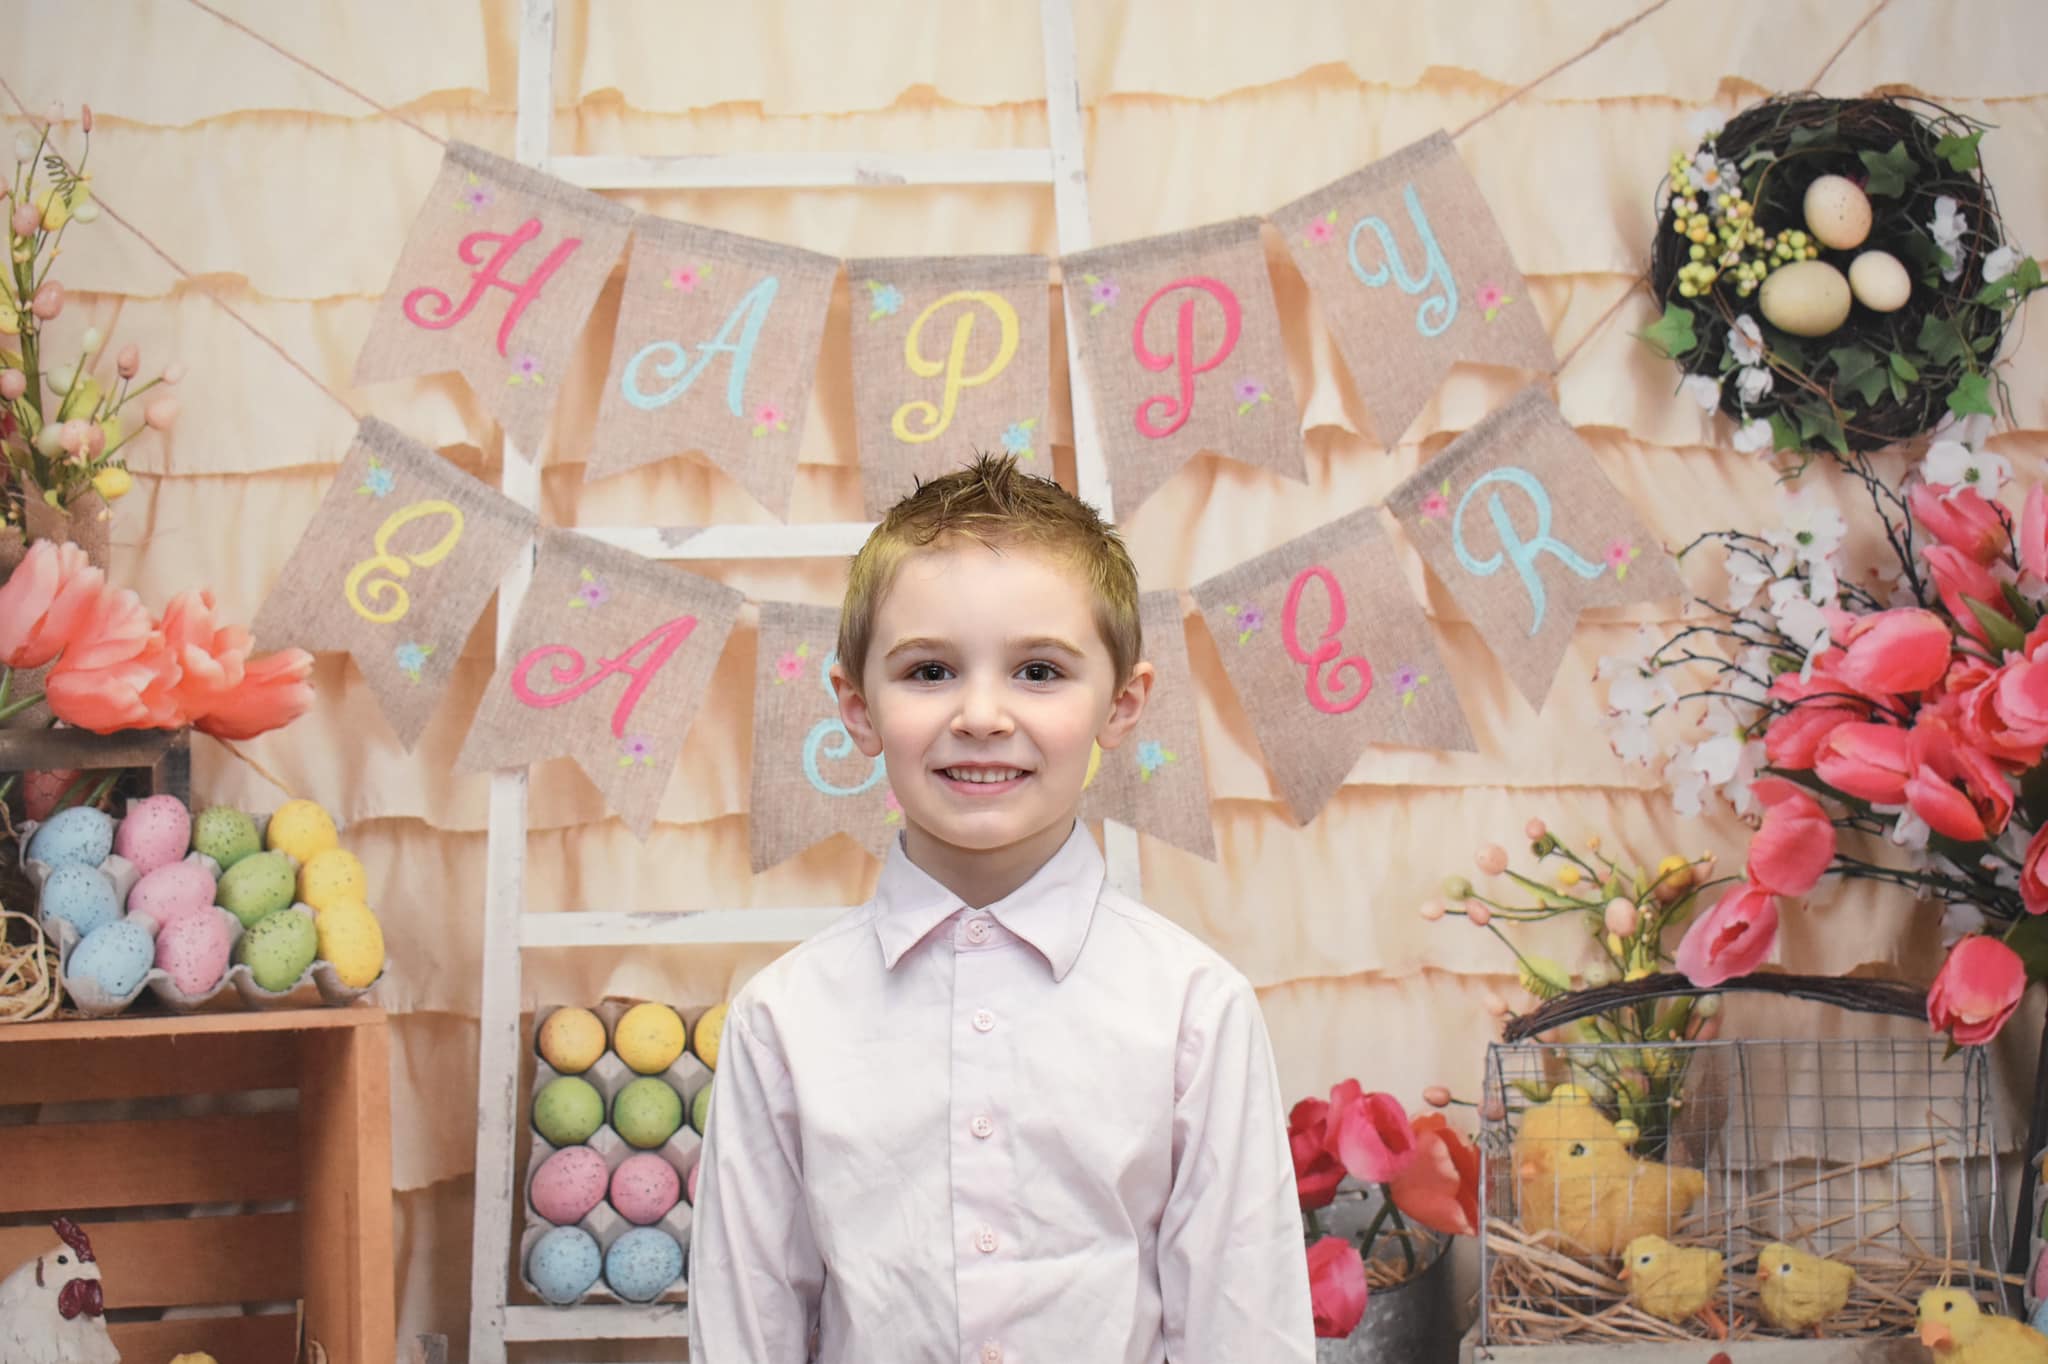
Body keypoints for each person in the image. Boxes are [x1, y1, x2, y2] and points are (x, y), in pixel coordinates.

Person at [687, 453, 1313, 1363]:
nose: (981, 714)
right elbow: (748, 1333)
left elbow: (1242, 1330)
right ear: (856, 709)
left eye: (1039, 671)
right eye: (931, 671)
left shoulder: (1194, 1009)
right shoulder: (782, 1020)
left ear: (1123, 703)